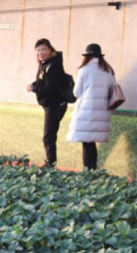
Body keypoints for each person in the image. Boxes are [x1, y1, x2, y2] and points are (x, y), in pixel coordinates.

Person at [66, 44, 116, 171]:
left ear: (87, 56)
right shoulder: (109, 70)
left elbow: (76, 93)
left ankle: (87, 172)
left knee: (87, 143)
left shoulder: (84, 70)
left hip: (86, 112)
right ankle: (93, 170)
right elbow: (112, 89)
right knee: (91, 142)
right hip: (102, 112)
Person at [28, 39, 68, 168]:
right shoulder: (45, 64)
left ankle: (50, 163)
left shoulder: (53, 65)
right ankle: (50, 161)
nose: (41, 52)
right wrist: (33, 85)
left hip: (55, 104)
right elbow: (42, 82)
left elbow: (49, 87)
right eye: (38, 50)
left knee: (49, 135)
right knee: (49, 134)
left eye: (44, 49)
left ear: (50, 50)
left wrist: (34, 89)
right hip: (49, 104)